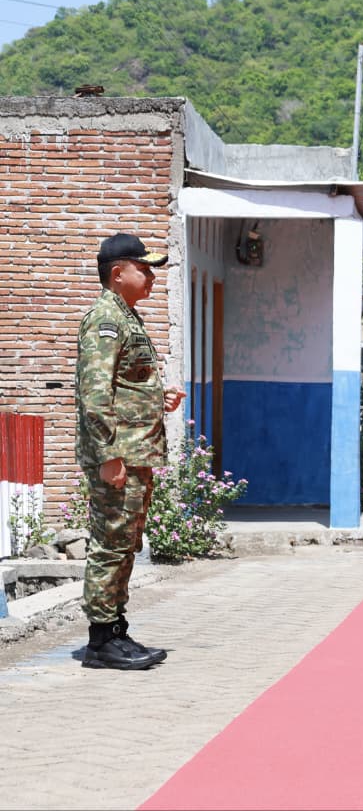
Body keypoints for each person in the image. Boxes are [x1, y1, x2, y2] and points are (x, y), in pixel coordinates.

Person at [76, 233, 185, 670]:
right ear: (118, 273)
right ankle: (100, 640)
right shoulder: (105, 319)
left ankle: (115, 629)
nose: (152, 276)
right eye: (145, 268)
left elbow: (125, 386)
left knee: (126, 543)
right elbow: (95, 393)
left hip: (135, 453)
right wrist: (108, 455)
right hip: (119, 455)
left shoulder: (126, 317)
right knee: (110, 544)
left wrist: (160, 398)